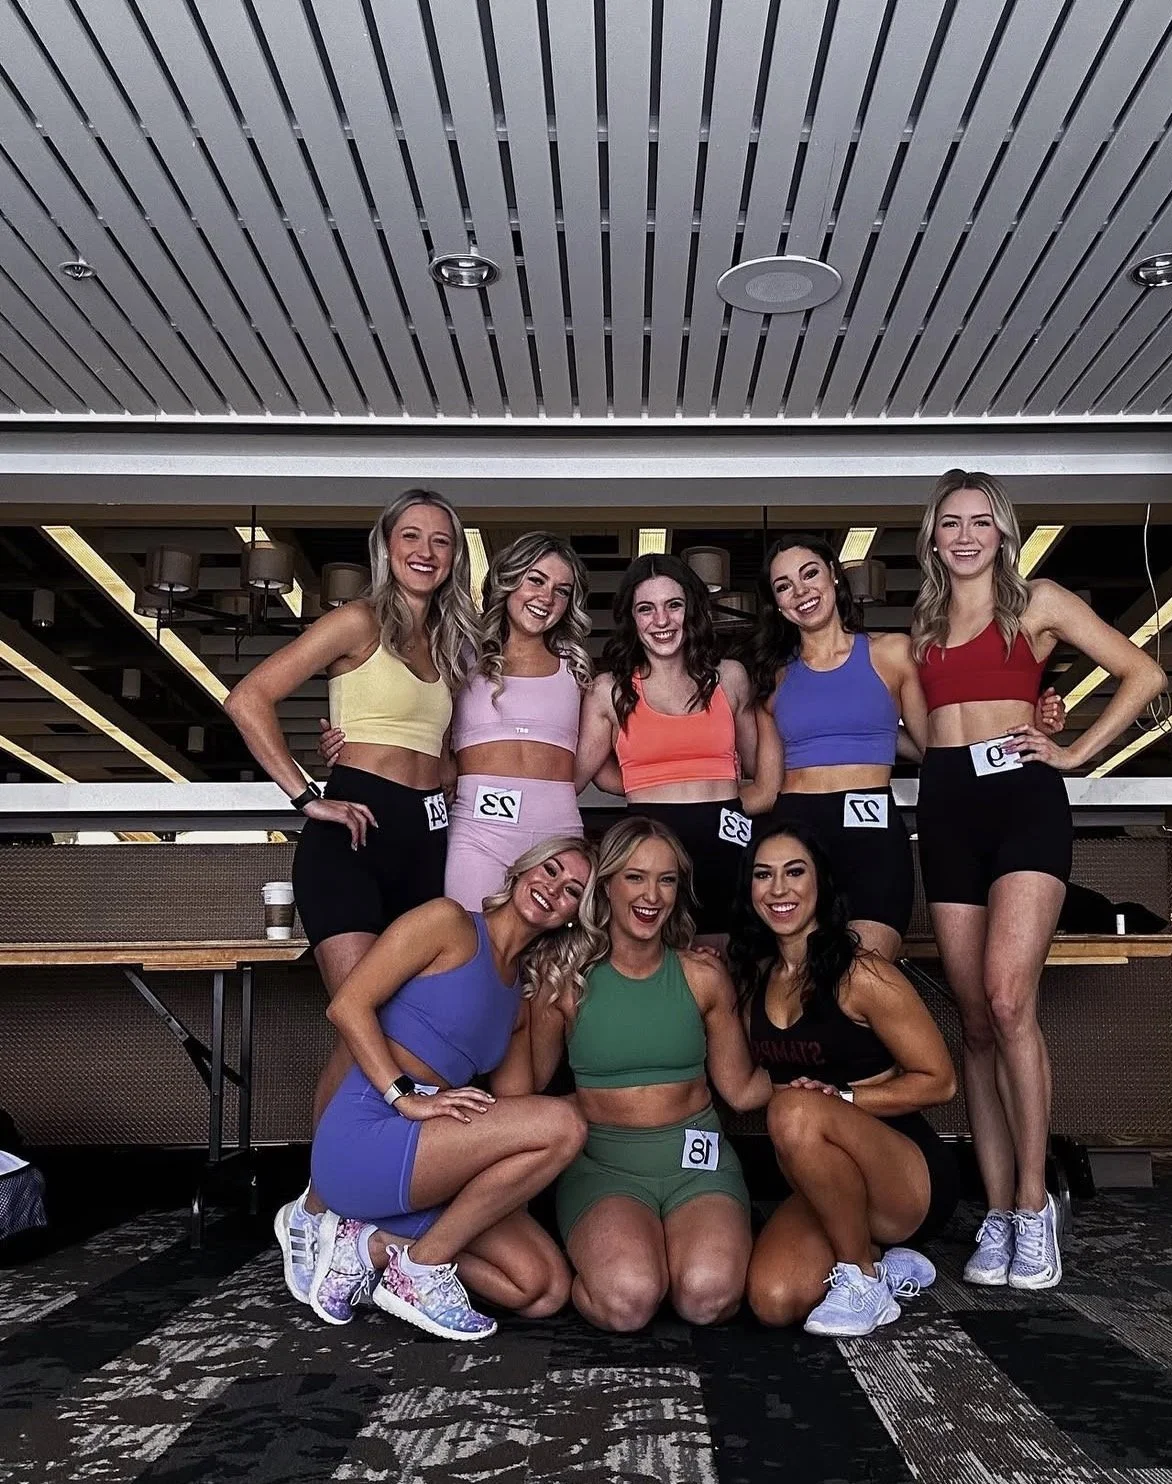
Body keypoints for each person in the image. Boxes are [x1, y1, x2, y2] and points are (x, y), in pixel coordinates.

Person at [913, 469, 1166, 1291]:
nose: (965, 535)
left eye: (980, 521)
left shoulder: (1039, 602)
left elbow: (1144, 674)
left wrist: (1073, 750)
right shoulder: (921, 624)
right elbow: (929, 739)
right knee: (977, 1022)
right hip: (947, 814)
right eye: (951, 522)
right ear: (932, 536)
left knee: (1012, 1000)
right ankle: (994, 1211)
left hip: (1025, 808)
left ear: (1003, 531)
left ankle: (1032, 1204)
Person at [225, 488, 480, 1298]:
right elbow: (248, 697)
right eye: (412, 535)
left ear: (454, 557)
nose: (427, 551)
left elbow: (446, 752)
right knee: (357, 1017)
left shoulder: (451, 642)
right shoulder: (357, 622)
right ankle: (315, 1205)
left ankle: (351, 1197)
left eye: (442, 540)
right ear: (387, 544)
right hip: (353, 839)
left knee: (395, 1027)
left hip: (425, 843)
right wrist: (308, 793)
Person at [304, 837, 597, 1340]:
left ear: (574, 916)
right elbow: (347, 1006)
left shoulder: (517, 999)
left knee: (543, 1288)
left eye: (571, 890)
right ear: (521, 869)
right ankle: (419, 1269)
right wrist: (405, 1096)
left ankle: (371, 1245)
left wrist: (559, 1001)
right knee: (566, 1125)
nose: (552, 889)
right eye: (549, 870)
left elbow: (517, 1110)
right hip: (367, 1132)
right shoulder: (448, 923)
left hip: (428, 1158)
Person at [748, 534, 1065, 958]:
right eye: (784, 585)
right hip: (793, 833)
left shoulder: (893, 652)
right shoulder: (774, 678)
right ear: (777, 603)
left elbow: (934, 746)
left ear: (834, 579)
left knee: (865, 976)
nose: (801, 591)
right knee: (797, 981)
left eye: (810, 574)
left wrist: (1025, 720)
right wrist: (691, 799)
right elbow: (765, 789)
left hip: (870, 835)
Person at [525, 816, 773, 1332]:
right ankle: (616, 1263)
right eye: (635, 877)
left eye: (666, 880)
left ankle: (666, 1256)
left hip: (696, 1165)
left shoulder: (703, 976)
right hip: (603, 1169)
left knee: (707, 1298)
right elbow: (523, 1090)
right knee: (629, 1302)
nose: (651, 895)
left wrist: (829, 1079)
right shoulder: (566, 983)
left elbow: (743, 1091)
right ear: (607, 884)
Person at [728, 826, 959, 1337]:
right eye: (763, 875)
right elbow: (744, 1090)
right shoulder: (757, 980)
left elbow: (940, 1082)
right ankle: (890, 1266)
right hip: (828, 1179)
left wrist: (846, 1099)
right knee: (773, 1299)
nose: (779, 889)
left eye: (795, 872)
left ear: (821, 885)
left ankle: (862, 1278)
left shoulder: (862, 974)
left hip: (904, 1173)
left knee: (792, 1109)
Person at [320, 532, 594, 910]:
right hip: (478, 835)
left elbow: (613, 755)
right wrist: (352, 738)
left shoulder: (576, 668)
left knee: (557, 963)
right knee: (472, 949)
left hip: (558, 835)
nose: (547, 598)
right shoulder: (458, 652)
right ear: (509, 579)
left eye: (562, 590)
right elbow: (411, 715)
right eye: (535, 580)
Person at [576, 554, 776, 941]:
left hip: (728, 841)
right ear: (632, 620)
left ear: (693, 611)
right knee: (661, 969)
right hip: (648, 849)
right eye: (646, 609)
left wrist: (775, 695)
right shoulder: (610, 690)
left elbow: (758, 772)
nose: (662, 621)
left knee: (728, 973)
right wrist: (641, 784)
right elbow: (579, 775)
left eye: (674, 605)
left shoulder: (729, 677)